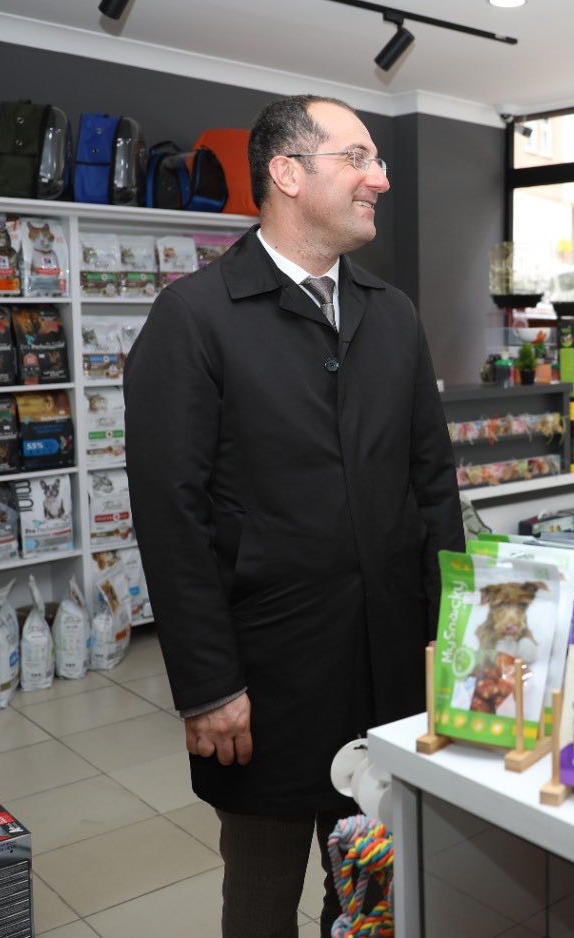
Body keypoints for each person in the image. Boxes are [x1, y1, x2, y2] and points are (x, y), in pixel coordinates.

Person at [125, 95, 463, 938]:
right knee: (263, 897)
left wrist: (451, 643)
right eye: (358, 158)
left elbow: (432, 485)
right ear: (287, 172)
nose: (380, 179)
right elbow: (172, 517)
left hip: (391, 668)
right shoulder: (195, 317)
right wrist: (209, 686)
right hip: (266, 678)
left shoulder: (393, 314)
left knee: (376, 893)